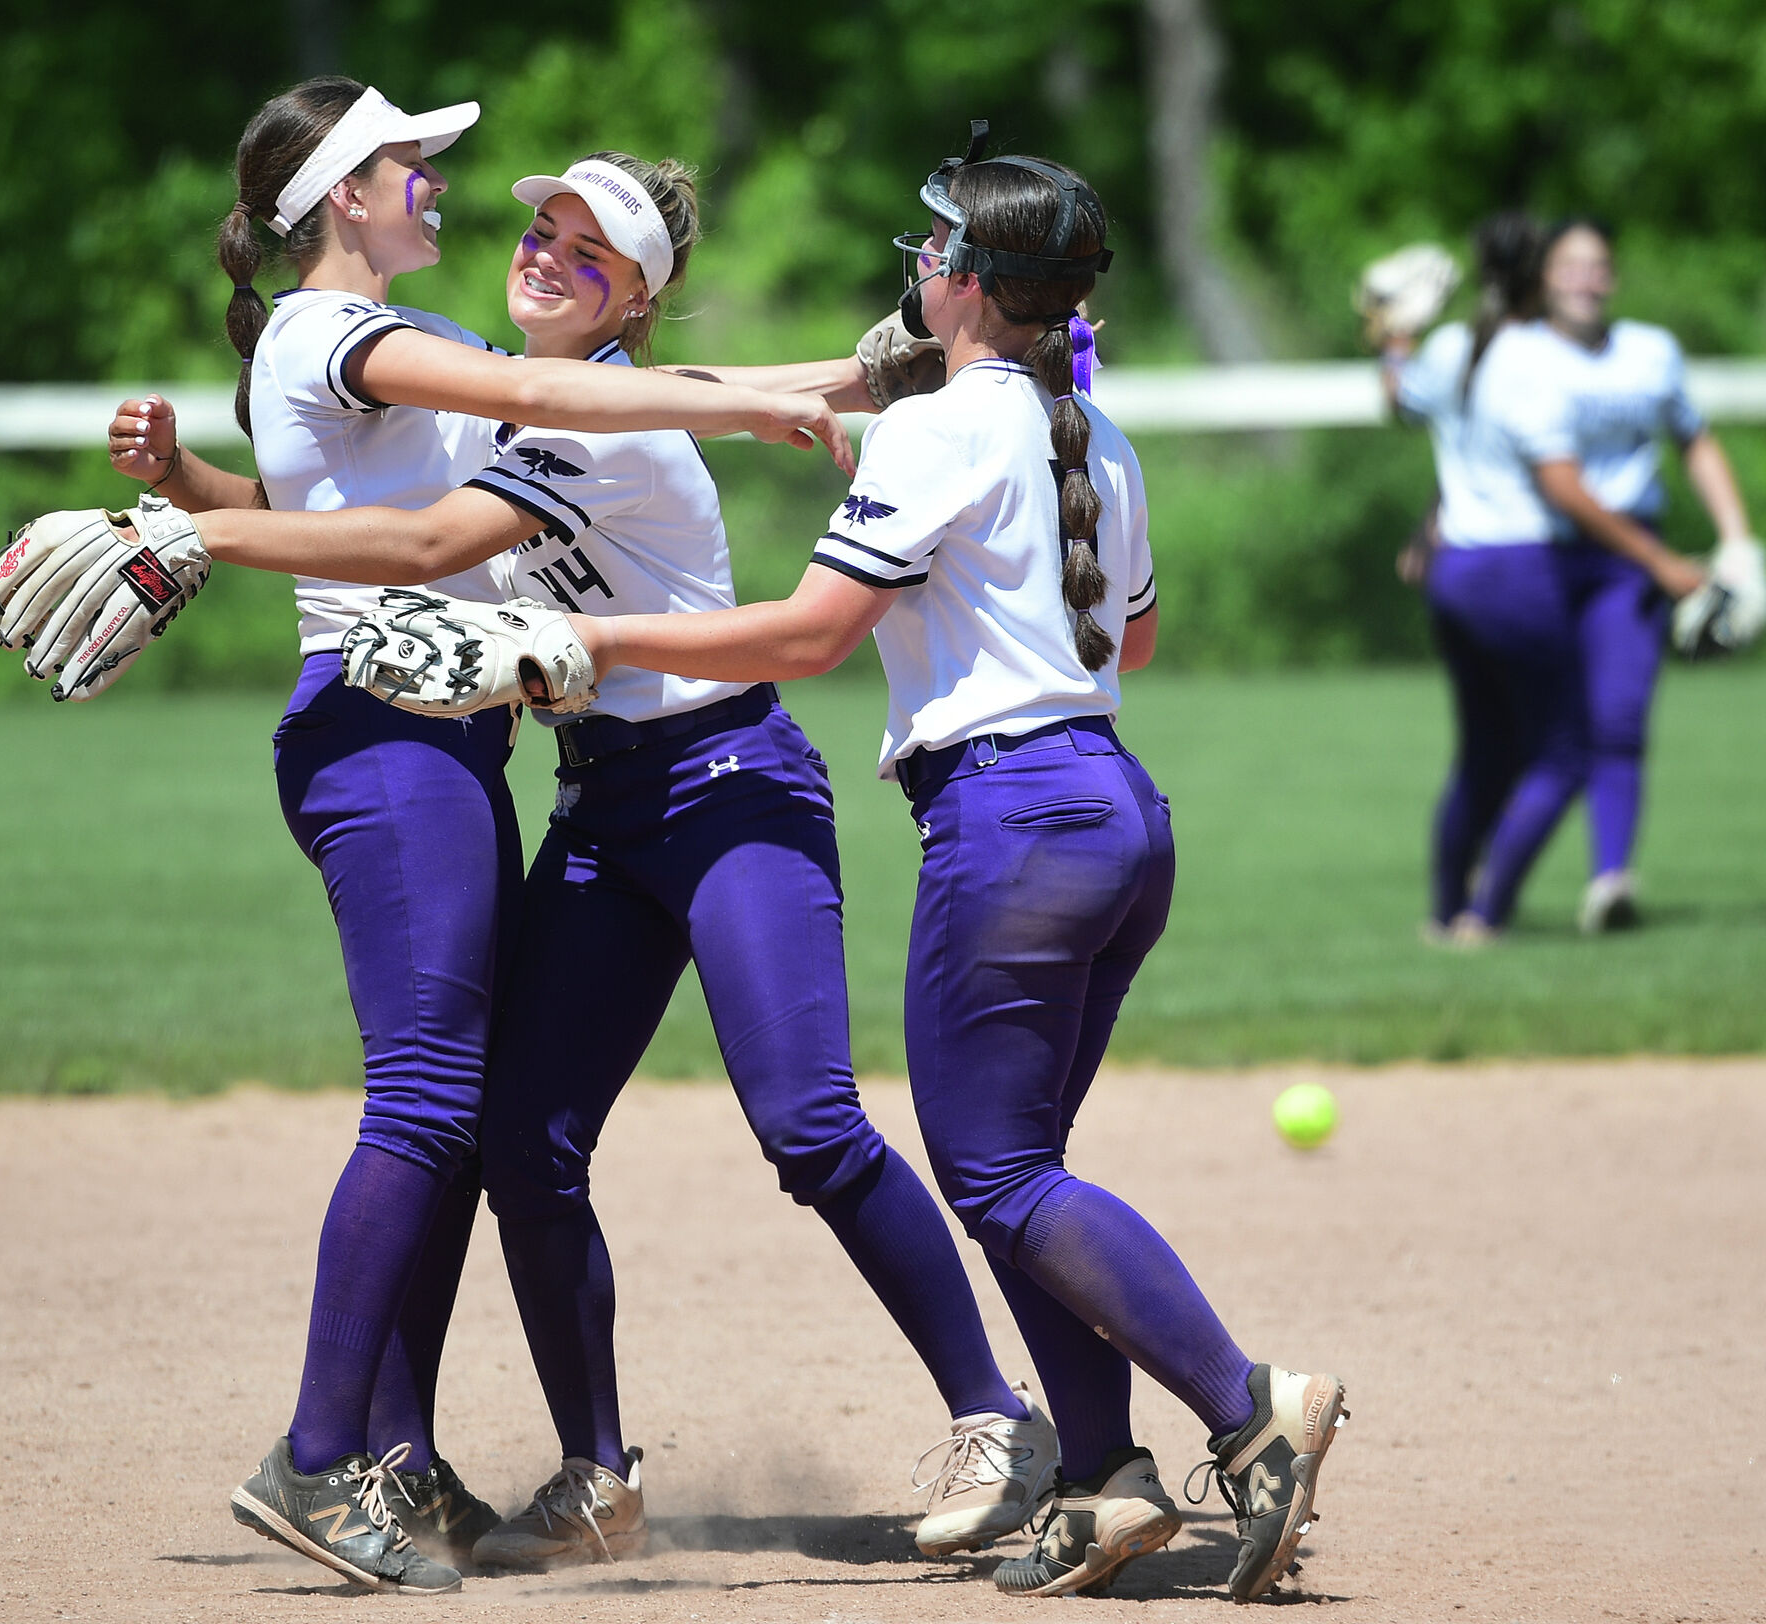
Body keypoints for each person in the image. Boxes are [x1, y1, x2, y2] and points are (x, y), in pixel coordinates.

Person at [132, 150, 1065, 1570]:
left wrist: (192, 534)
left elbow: (430, 539)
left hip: (728, 785)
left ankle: (999, 1417)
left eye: (593, 252)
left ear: (634, 301)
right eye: (544, 230)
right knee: (520, 1139)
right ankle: (599, 1472)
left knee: (808, 1126)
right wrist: (197, 482)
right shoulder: (521, 395)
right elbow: (356, 503)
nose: (548, 253)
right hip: (600, 809)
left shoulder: (589, 427)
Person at [519, 135, 1347, 1603]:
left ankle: (1248, 1408)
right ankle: (1102, 1483)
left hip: (1012, 822)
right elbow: (1128, 642)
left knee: (1003, 1173)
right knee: (1018, 1172)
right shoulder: (1094, 433)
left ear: (966, 283)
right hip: (1117, 813)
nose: (916, 262)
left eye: (932, 246)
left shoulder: (938, 431)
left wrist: (606, 640)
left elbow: (803, 640)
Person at [1381, 216, 1715, 939]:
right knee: (1568, 751)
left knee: (1483, 756)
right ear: (1539, 277)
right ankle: (1486, 915)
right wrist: (1661, 561)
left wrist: (1389, 333)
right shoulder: (1531, 358)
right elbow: (1560, 482)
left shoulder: (1449, 345)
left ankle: (1442, 915)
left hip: (1454, 573)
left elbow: (1401, 404)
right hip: (1515, 570)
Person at [1520, 219, 1753, 932]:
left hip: (1627, 561)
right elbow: (1543, 478)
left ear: (1613, 279)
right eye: (1570, 264)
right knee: (1535, 738)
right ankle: (1486, 891)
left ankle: (1610, 880)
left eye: (1598, 265)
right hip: (1541, 555)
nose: (1586, 278)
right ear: (1543, 278)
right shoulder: (1521, 355)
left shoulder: (1649, 353)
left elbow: (1696, 442)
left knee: (1619, 719)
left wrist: (1738, 540)